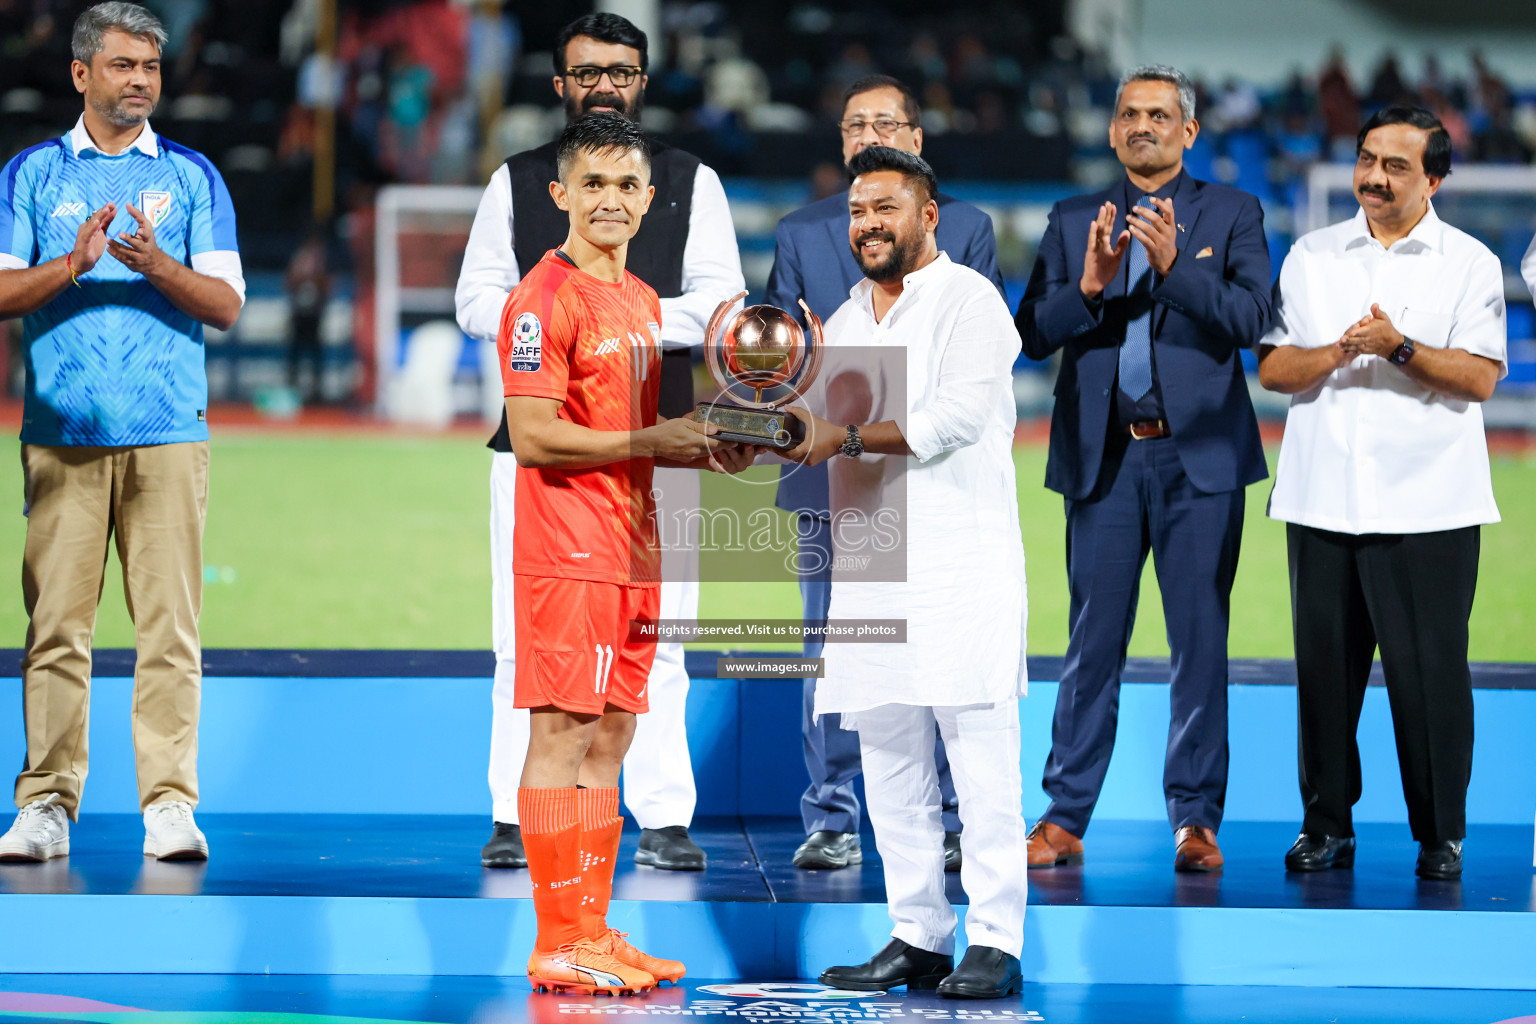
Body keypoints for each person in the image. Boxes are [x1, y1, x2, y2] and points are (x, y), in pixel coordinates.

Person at [455, 12, 744, 872]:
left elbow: (723, 303)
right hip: (541, 446)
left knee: (661, 640)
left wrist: (631, 320)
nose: (605, 84)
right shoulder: (520, 182)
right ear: (561, 85)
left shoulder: (691, 181)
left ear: (642, 81)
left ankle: (661, 815)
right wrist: (569, 322)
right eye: (588, 72)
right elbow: (479, 297)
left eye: (621, 71)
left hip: (662, 441)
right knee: (526, 646)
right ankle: (515, 814)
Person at [500, 113, 754, 995]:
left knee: (612, 735)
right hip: (568, 547)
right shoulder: (541, 299)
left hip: (635, 544)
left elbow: (641, 436)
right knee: (562, 731)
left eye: (626, 186)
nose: (610, 201)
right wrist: (658, 435)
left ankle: (592, 930)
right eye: (593, 185)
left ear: (649, 201)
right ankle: (553, 937)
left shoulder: (644, 301)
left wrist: (709, 443)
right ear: (561, 195)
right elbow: (533, 436)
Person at [0, 2, 244, 862]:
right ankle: (45, 806)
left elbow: (226, 305)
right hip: (62, 429)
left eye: (150, 66)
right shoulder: (30, 175)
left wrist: (156, 266)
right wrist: (73, 264)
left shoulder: (192, 176)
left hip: (169, 432)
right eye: (122, 65)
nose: (140, 80)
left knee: (168, 629)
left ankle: (170, 805)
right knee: (56, 628)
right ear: (81, 73)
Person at [785, 146, 1028, 999]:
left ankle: (996, 938)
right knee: (889, 760)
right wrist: (775, 410)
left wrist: (838, 436)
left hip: (961, 563)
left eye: (886, 208)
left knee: (981, 761)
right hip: (872, 563)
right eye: (857, 211)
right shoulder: (847, 318)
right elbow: (811, 427)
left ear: (929, 216)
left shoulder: (974, 302)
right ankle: (917, 933)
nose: (868, 225)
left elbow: (955, 417)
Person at [1015, 64, 1271, 873]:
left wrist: (1175, 272)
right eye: (1129, 113)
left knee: (1199, 643)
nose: (1142, 126)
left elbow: (1254, 319)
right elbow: (1030, 333)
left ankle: (1195, 821)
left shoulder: (1232, 213)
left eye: (1160, 115)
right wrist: (1089, 288)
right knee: (1092, 644)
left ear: (1189, 132)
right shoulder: (1068, 220)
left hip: (1198, 459)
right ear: (1113, 127)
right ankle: (1064, 815)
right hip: (1105, 461)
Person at [1258, 105, 1506, 882]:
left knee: (1429, 677)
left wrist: (1398, 346)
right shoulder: (1310, 255)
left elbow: (1481, 377)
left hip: (1429, 505)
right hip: (1321, 498)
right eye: (1368, 159)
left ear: (1433, 178)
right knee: (1323, 678)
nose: (1373, 176)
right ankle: (1326, 824)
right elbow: (1272, 370)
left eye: (1396, 166)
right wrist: (1341, 349)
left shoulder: (1470, 263)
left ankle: (1441, 834)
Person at [764, 73, 1005, 872]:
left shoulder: (967, 231)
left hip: (929, 479)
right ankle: (832, 811)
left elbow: (964, 375)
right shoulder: (801, 232)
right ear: (840, 143)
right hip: (833, 478)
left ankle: (948, 816)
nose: (870, 131)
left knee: (933, 648)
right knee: (834, 646)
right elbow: (786, 359)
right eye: (855, 122)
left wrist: (851, 427)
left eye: (886, 121)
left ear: (916, 139)